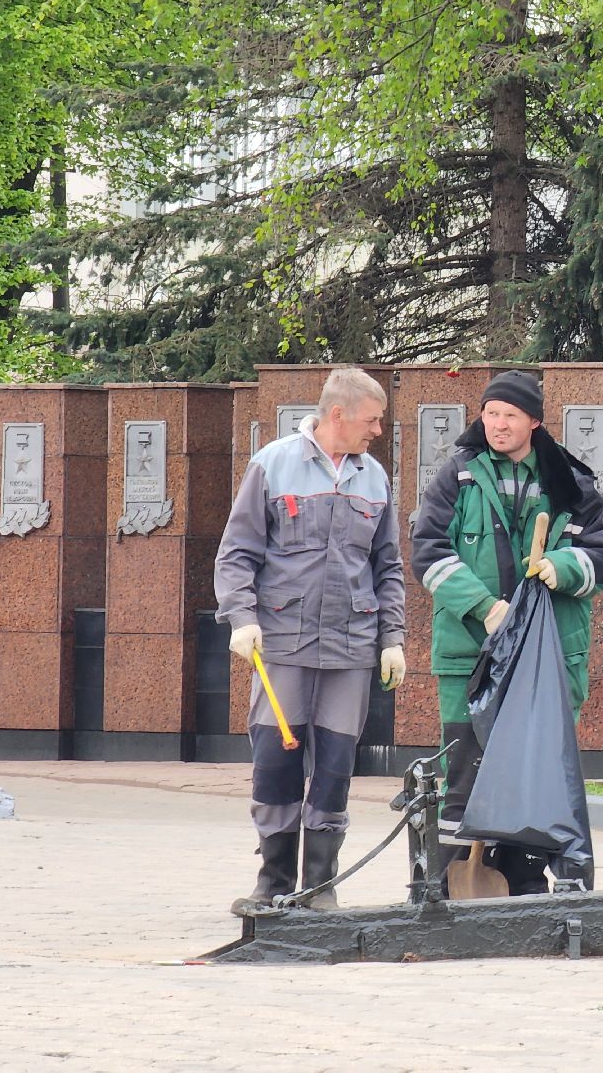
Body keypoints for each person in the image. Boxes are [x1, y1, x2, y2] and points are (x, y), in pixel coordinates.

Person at [411, 370, 603, 894]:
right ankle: (444, 888)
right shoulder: (456, 475)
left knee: (534, 777)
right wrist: (484, 607)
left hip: (545, 661)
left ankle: (524, 886)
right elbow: (428, 552)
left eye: (509, 415)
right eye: (490, 413)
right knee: (464, 771)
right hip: (469, 655)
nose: (497, 424)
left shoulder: (569, 483)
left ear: (534, 422)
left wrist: (564, 568)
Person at [215, 366, 406, 915]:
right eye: (371, 421)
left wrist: (392, 637)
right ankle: (273, 884)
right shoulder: (272, 465)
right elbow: (237, 554)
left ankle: (319, 887)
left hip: (351, 647)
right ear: (338, 415)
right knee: (275, 763)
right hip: (283, 644)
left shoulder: (375, 479)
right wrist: (241, 617)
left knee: (335, 766)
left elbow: (387, 565)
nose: (377, 432)